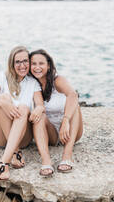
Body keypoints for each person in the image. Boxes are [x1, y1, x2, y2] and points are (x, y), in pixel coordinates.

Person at [0, 46, 45, 180]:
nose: (22, 65)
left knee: (23, 108)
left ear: (29, 62)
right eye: (18, 62)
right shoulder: (1, 76)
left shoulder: (33, 83)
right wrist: (4, 104)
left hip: (22, 135)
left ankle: (3, 162)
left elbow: (40, 104)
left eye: (25, 61)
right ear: (12, 63)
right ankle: (15, 151)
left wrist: (39, 108)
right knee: (3, 98)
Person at [29, 49, 83, 177]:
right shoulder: (30, 85)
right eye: (33, 64)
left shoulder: (57, 80)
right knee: (39, 115)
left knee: (75, 104)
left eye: (41, 63)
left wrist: (65, 121)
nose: (37, 67)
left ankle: (67, 154)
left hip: (70, 130)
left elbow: (73, 95)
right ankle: (46, 161)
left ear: (48, 66)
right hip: (50, 133)